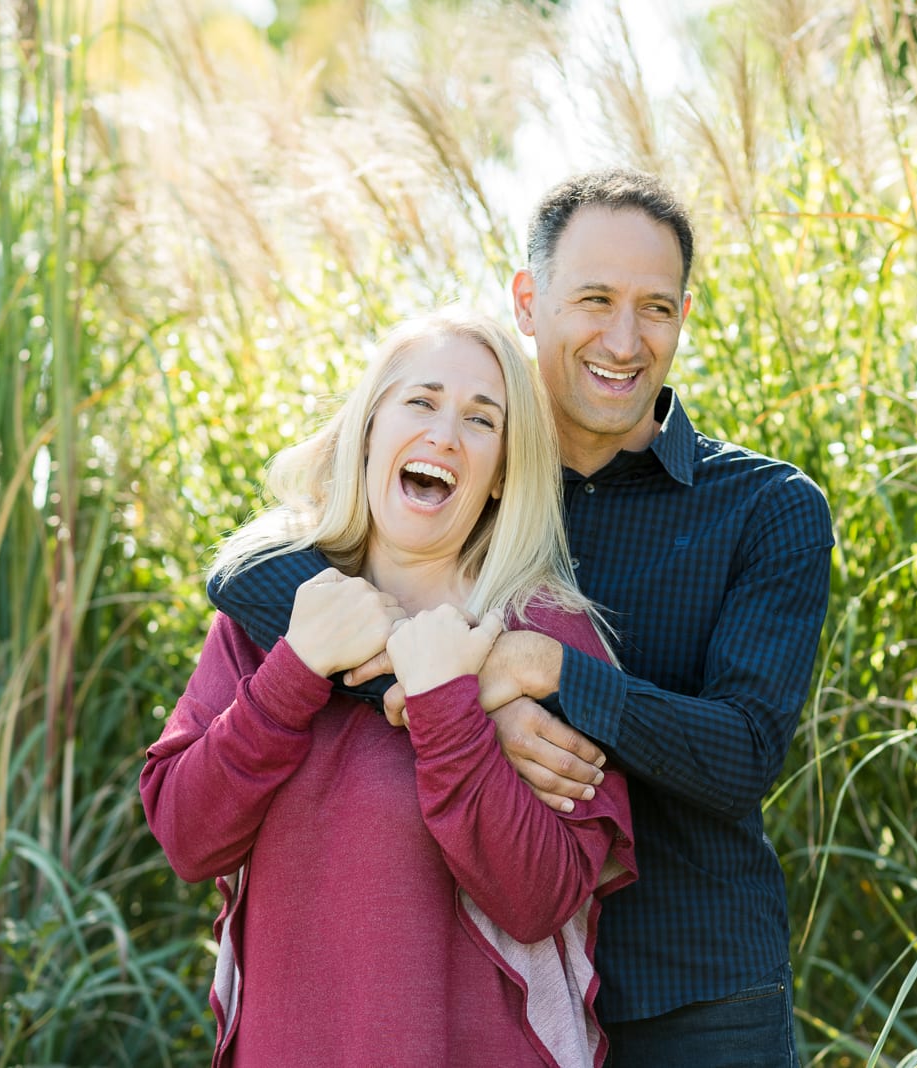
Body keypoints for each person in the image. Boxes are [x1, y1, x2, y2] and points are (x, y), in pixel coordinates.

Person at [211, 170, 833, 1068]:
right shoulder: (471, 468)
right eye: (594, 300)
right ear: (529, 300)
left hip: (691, 992)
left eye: (656, 307)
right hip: (488, 991)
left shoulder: (765, 508)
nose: (625, 339)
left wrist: (543, 670)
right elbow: (249, 571)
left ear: (685, 314)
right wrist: (466, 693)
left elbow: (741, 755)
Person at [141, 309, 636, 1068]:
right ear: (367, 431)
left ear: (503, 471)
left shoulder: (548, 641)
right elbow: (187, 836)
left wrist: (449, 708)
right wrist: (295, 670)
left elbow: (540, 899)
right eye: (420, 401)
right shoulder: (271, 614)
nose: (444, 434)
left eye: (481, 419)